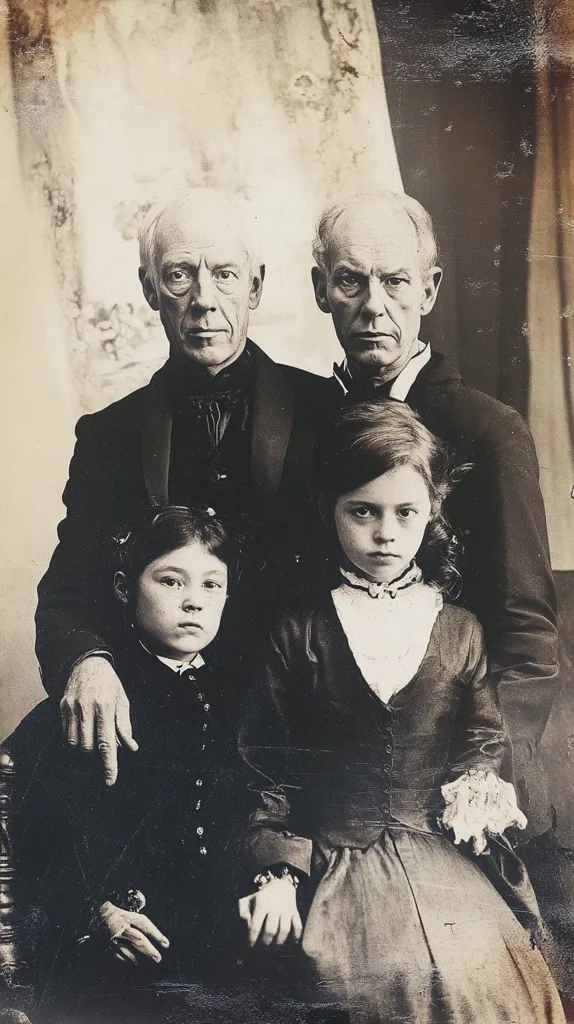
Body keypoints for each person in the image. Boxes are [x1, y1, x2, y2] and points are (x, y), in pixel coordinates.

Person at [239, 401, 565, 1024]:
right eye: (362, 511)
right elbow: (268, 767)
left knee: (482, 978)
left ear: (432, 515)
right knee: (351, 981)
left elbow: (482, 738)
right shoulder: (297, 630)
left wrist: (476, 793)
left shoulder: (459, 629)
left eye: (405, 513)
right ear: (330, 510)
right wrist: (277, 872)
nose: (385, 533)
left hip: (443, 855)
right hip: (333, 862)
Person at [308, 190, 559, 896]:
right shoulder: (310, 426)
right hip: (351, 789)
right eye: (350, 280)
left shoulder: (489, 429)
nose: (373, 304)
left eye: (394, 280)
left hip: (467, 780)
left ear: (430, 287)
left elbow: (526, 630)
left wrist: (483, 778)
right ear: (321, 289)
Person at [35, 188, 324, 787]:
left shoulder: (326, 413)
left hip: (292, 722)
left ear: (256, 286)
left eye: (224, 275)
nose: (204, 301)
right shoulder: (108, 434)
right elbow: (69, 587)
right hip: (155, 722)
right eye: (179, 276)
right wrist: (86, 660)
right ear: (148, 289)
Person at [9, 506, 250, 1021]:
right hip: (116, 943)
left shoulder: (240, 694)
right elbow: (33, 827)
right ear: (125, 588)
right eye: (170, 581)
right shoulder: (96, 698)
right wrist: (96, 911)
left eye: (212, 585)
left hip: (218, 933)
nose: (193, 602)